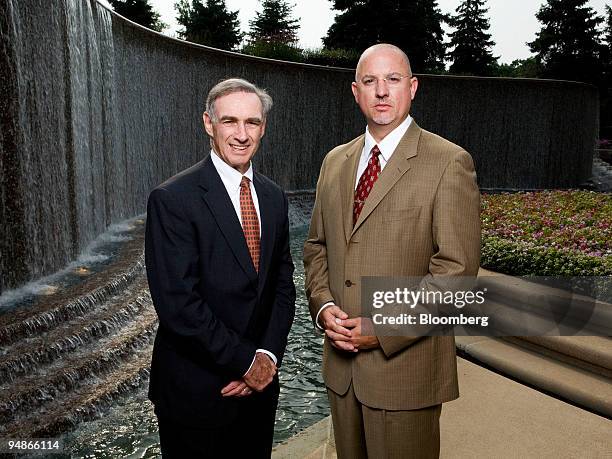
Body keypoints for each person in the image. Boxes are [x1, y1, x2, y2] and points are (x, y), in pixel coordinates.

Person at [303, 44, 481, 458]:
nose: (382, 91)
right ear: (355, 92)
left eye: (393, 80)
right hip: (342, 373)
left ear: (413, 88)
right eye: (370, 81)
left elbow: (455, 274)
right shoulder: (334, 161)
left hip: (406, 374)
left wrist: (381, 327)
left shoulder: (449, 161)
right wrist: (323, 305)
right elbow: (317, 247)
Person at [145, 78, 296, 458]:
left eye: (252, 122)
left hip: (260, 394)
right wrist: (246, 362)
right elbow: (179, 305)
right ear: (208, 124)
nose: (242, 134)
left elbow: (282, 285)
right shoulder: (172, 199)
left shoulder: (274, 196)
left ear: (264, 127)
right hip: (198, 394)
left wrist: (267, 358)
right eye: (230, 121)